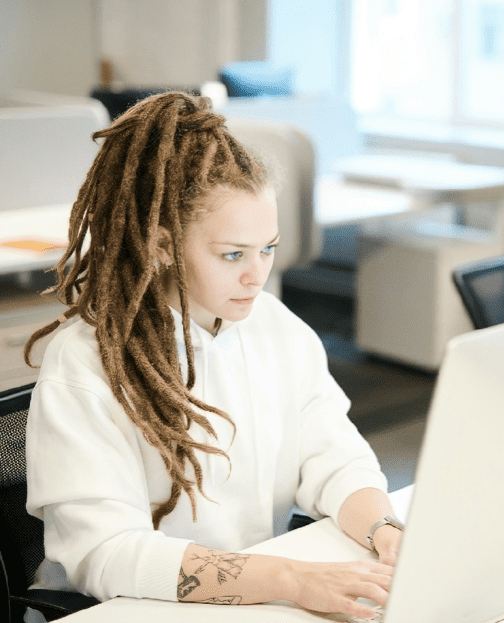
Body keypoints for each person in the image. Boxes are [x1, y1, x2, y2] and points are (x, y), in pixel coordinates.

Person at [23, 91, 398, 621]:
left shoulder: (276, 329)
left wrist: (386, 532)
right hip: (124, 608)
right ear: (161, 244)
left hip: (245, 599)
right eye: (232, 255)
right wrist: (288, 579)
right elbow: (105, 553)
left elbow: (336, 458)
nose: (257, 275)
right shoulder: (87, 363)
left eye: (267, 248)